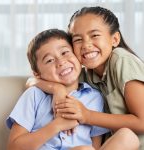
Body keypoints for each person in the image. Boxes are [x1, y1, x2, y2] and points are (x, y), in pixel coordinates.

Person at [26, 6, 143, 149]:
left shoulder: (121, 60)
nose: (86, 45)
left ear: (115, 39)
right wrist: (57, 89)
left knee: (126, 135)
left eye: (94, 35)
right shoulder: (84, 74)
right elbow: (31, 81)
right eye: (78, 39)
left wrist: (87, 115)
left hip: (131, 144)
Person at [6, 28, 119, 150]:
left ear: (78, 57)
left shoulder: (94, 97)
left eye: (65, 53)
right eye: (49, 60)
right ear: (37, 74)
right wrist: (57, 125)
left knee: (127, 136)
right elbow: (14, 147)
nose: (60, 62)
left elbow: (95, 145)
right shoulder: (34, 95)